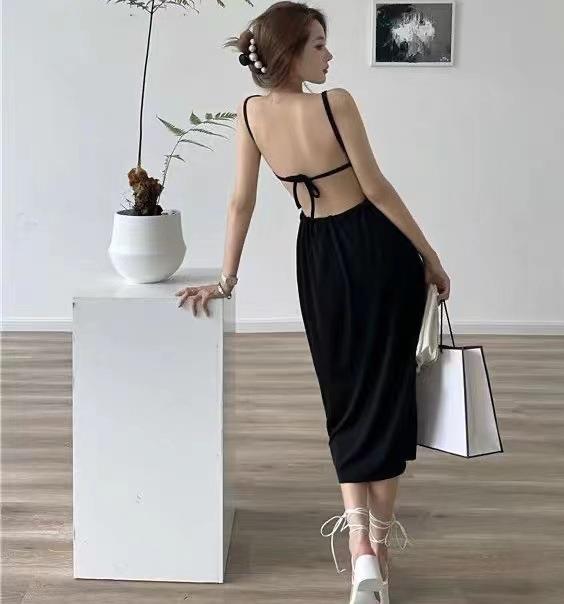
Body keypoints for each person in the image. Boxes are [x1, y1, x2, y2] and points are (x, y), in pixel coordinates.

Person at [175, 2, 450, 601]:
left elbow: (241, 202)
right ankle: (379, 550)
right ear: (289, 54)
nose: (330, 56)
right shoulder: (336, 103)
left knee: (343, 398)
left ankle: (360, 551)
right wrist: (430, 256)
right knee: (385, 397)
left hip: (319, 258)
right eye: (319, 45)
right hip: (379, 254)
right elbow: (376, 188)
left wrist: (226, 280)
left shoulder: (250, 114)